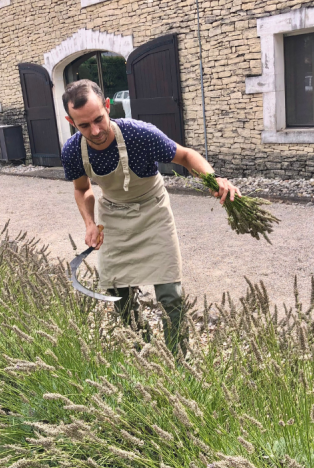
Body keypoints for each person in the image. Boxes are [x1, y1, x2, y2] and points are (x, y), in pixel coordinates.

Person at [61, 79, 239, 353]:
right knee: (118, 292)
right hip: (113, 215)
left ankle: (178, 359)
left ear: (108, 106)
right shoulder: (73, 150)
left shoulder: (140, 135)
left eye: (99, 119)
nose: (95, 130)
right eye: (83, 125)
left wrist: (214, 180)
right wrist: (89, 223)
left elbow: (187, 156)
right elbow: (82, 190)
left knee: (170, 293)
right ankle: (137, 349)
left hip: (152, 210)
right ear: (70, 121)